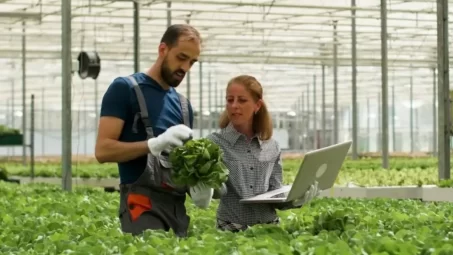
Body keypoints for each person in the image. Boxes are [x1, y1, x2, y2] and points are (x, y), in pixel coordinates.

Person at [94, 24, 212, 237]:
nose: (185, 67)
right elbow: (103, 150)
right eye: (181, 57)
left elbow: (179, 164)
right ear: (163, 49)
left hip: (177, 210)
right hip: (141, 206)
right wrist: (154, 144)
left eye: (191, 62)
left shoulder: (184, 106)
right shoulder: (125, 89)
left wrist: (200, 183)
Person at [205, 75, 321, 232]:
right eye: (230, 100)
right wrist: (205, 189)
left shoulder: (271, 146)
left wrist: (296, 199)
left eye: (242, 100)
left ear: (257, 105)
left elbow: (275, 192)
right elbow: (213, 192)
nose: (234, 105)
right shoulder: (214, 143)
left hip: (270, 227)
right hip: (231, 227)